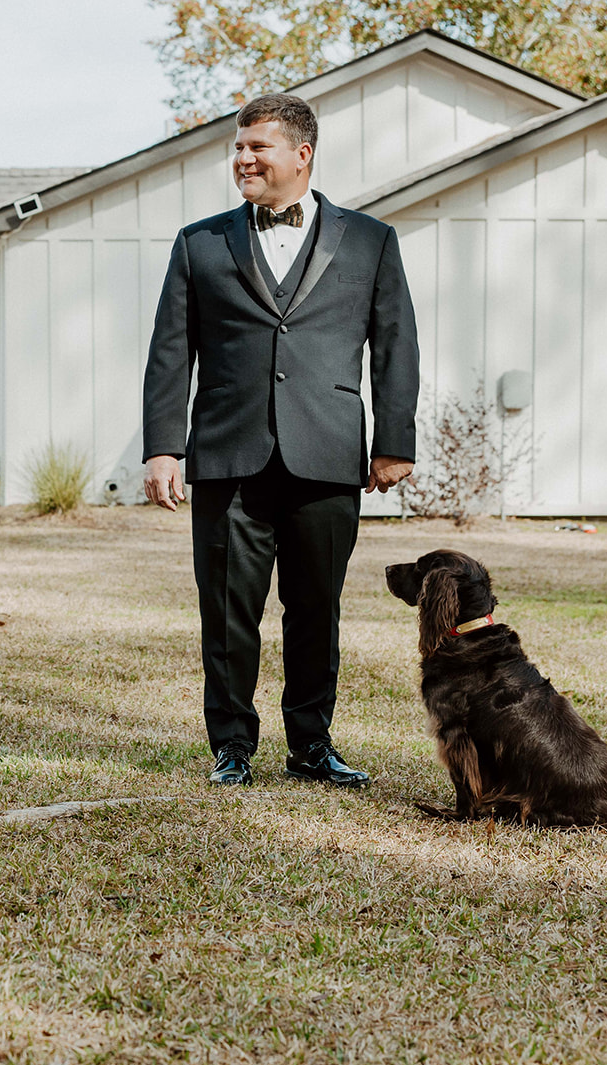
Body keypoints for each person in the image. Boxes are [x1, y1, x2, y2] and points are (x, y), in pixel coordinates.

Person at [142, 93, 420, 787]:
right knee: (229, 613)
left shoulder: (370, 241)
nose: (242, 159)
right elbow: (172, 352)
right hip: (229, 453)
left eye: (257, 147)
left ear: (303, 154)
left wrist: (394, 440)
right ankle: (231, 747)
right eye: (238, 147)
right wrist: (162, 446)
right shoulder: (199, 243)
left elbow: (394, 345)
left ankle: (311, 747)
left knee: (315, 610)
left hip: (326, 453)